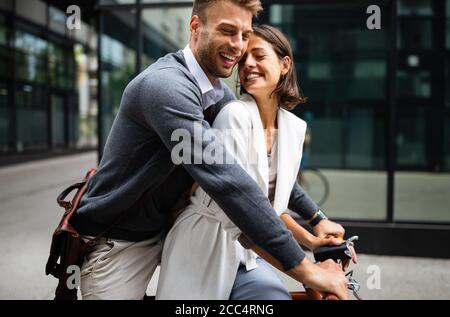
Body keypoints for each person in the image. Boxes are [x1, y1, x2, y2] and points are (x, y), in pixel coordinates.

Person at [72, 0, 348, 300]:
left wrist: (317, 218)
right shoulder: (166, 86)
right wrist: (307, 269)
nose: (238, 46)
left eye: (245, 34)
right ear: (195, 27)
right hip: (118, 239)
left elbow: (257, 167)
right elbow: (228, 181)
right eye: (227, 31)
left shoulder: (219, 97)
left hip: (167, 227)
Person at [156, 25, 354, 300]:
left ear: (285, 65)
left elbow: (269, 206)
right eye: (244, 58)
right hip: (205, 245)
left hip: (249, 254)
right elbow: (241, 207)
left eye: (259, 56)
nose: (248, 64)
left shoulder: (294, 128)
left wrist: (315, 235)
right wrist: (308, 261)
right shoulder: (233, 115)